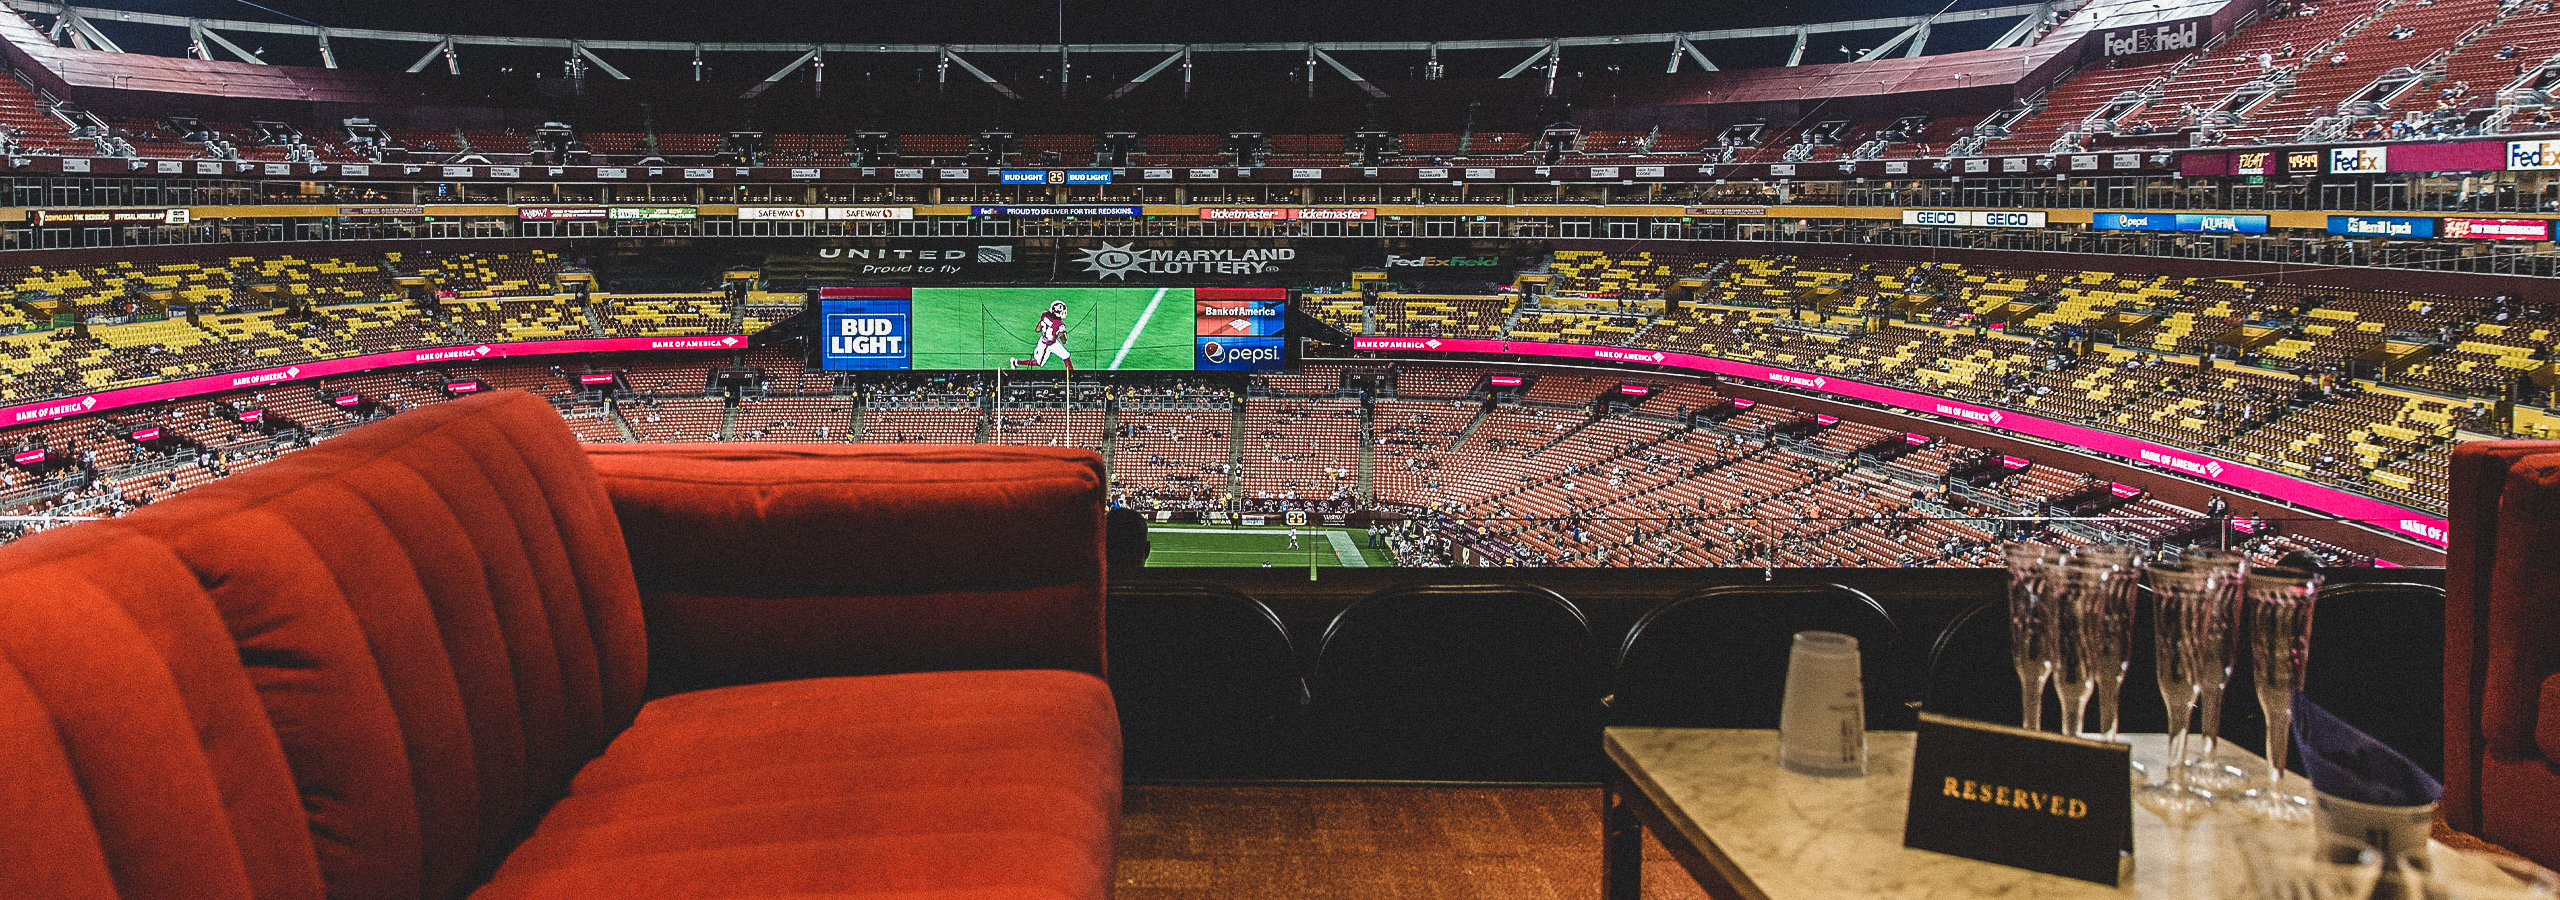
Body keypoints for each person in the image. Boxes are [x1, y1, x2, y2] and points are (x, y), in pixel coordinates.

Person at [1010, 299, 1076, 372]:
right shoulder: (1060, 325)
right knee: (1039, 363)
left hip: (1051, 342)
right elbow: (1063, 341)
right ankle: (1016, 362)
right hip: (1045, 345)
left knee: (1066, 355)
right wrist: (1062, 333)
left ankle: (1072, 374)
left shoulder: (1045, 314)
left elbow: (1037, 329)